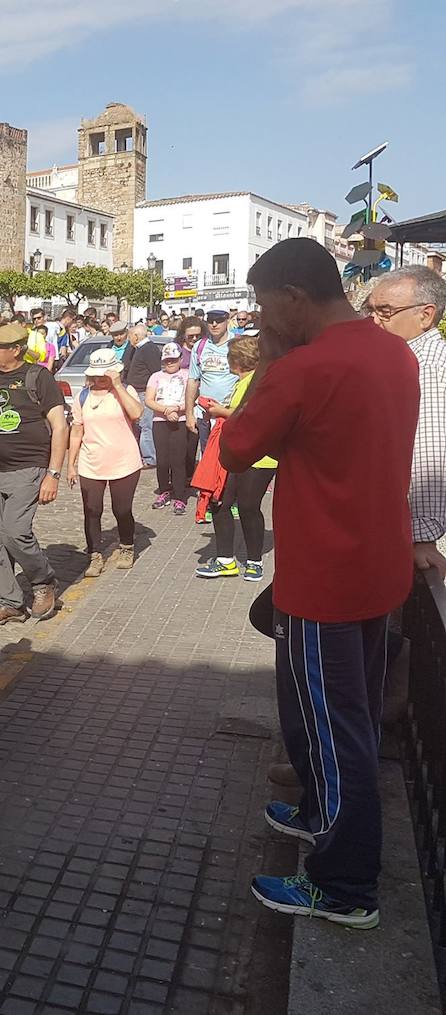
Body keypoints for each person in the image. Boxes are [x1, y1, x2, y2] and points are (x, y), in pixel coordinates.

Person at [222, 238, 419, 930]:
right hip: (379, 568)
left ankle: (344, 885)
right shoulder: (394, 350)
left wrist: (273, 361)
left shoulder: (300, 367)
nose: (260, 316)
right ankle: (315, 815)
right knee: (343, 717)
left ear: (293, 299)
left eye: (264, 303)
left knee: (337, 733)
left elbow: (235, 448)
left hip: (324, 580)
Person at [0, 321, 66, 623]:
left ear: (16, 349)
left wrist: (53, 474)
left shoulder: (38, 377)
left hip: (28, 468)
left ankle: (43, 580)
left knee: (16, 531)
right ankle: (11, 601)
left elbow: (60, 426)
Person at [366, 265, 446, 579]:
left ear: (426, 315)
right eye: (370, 310)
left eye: (385, 311)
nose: (373, 320)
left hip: (408, 537)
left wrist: (422, 536)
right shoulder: (403, 356)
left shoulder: (423, 364)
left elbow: (427, 451)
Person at [195, 335, 275, 581]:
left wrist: (220, 411)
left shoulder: (257, 382)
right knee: (219, 502)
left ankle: (254, 561)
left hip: (259, 457)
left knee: (249, 507)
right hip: (234, 454)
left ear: (237, 360)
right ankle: (225, 559)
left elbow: (251, 416)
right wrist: (220, 410)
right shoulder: (241, 382)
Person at [68, 349, 144, 577]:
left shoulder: (125, 390)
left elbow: (137, 413)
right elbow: (76, 431)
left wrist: (118, 385)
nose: (100, 380)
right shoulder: (83, 396)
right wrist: (71, 464)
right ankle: (94, 555)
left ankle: (127, 546)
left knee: (121, 509)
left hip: (124, 460)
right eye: (96, 375)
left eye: (105, 375)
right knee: (92, 510)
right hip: (91, 461)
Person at [145, 341, 194, 515]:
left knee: (178, 460)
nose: (170, 363)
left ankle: (180, 496)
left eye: (173, 360)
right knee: (163, 460)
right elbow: (149, 400)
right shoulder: (156, 376)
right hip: (160, 421)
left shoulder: (188, 375)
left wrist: (178, 409)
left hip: (180, 420)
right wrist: (166, 410)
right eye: (167, 360)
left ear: (180, 359)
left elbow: (192, 397)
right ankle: (164, 490)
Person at [186, 309, 239, 458]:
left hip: (229, 412)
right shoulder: (200, 346)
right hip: (205, 414)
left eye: (219, 321)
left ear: (227, 321)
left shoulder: (237, 343)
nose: (214, 324)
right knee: (208, 457)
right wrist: (189, 414)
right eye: (210, 321)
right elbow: (193, 380)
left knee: (229, 458)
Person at [123, 323, 162, 468]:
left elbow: (155, 371)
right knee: (141, 424)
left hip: (145, 392)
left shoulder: (149, 349)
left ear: (136, 336)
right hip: (136, 390)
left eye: (130, 337)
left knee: (146, 425)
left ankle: (150, 458)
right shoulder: (138, 349)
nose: (129, 340)